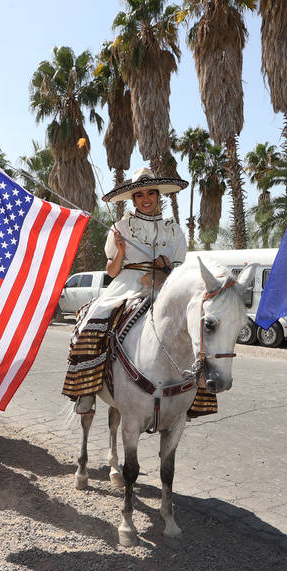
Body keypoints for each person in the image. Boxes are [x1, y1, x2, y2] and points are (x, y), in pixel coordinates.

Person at [62, 168, 187, 413]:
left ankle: (194, 392)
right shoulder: (120, 227)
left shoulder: (174, 229)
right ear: (133, 199)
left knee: (195, 328)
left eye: (151, 192)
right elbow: (111, 271)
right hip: (126, 285)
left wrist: (167, 267)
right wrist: (119, 249)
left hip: (165, 287)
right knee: (92, 321)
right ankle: (86, 390)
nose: (146, 198)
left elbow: (179, 269)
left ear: (159, 195)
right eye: (140, 195)